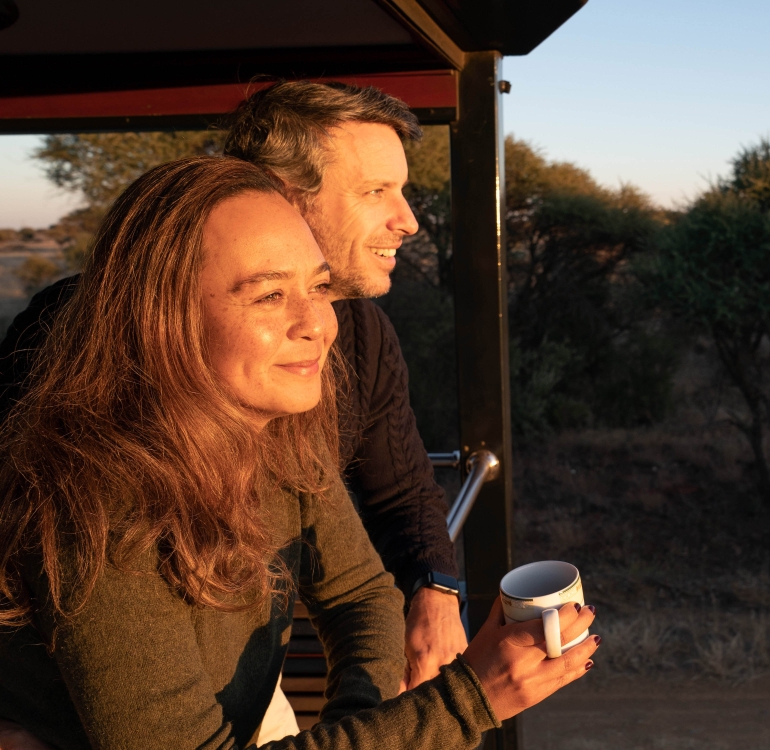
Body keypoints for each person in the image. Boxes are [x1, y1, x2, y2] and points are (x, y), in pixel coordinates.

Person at [0, 156, 598, 749]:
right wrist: (470, 701)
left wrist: (361, 725)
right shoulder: (101, 507)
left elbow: (361, 593)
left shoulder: (276, 432)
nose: (317, 324)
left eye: (317, 286)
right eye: (267, 296)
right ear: (161, 320)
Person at [0, 81, 465, 696]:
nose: (407, 220)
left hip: (243, 656)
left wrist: (435, 590)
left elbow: (395, 499)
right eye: (375, 191)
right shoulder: (82, 331)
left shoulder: (353, 335)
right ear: (284, 196)